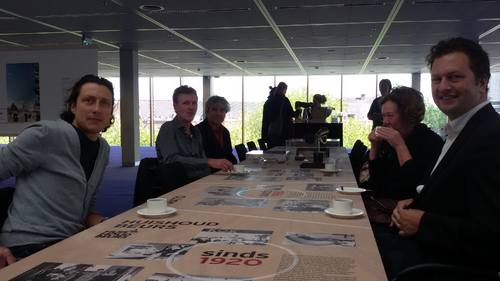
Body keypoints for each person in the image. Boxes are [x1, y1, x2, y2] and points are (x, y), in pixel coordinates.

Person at [383, 37, 500, 278]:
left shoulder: (490, 138)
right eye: (437, 79)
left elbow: (493, 237)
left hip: (433, 265)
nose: (443, 86)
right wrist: (415, 202)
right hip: (421, 251)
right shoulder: (462, 131)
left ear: (482, 83)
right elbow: (456, 201)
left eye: (455, 77)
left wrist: (423, 221)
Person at [0, 74, 114, 260]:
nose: (96, 109)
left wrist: (109, 224)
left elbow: (85, 206)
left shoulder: (103, 150)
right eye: (88, 101)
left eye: (104, 103)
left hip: (70, 242)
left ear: (111, 112)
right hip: (28, 245)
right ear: (73, 106)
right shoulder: (46, 134)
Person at [365, 87, 443, 201]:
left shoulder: (431, 142)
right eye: (383, 116)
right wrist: (374, 147)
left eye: (390, 116)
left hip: (409, 212)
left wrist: (400, 146)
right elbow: (376, 182)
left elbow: (414, 187)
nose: (385, 121)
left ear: (409, 115)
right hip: (383, 205)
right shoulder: (388, 141)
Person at [156, 86, 233, 182]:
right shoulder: (168, 128)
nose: (191, 107)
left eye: (194, 103)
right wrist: (209, 162)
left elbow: (203, 164)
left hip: (200, 182)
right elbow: (171, 160)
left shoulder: (195, 132)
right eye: (186, 103)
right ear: (175, 106)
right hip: (177, 186)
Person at [196, 96, 237, 172]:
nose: (218, 113)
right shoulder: (197, 131)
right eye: (214, 109)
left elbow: (229, 155)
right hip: (204, 175)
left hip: (224, 173)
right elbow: (196, 159)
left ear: (225, 113)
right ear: (207, 111)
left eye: (222, 110)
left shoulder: (225, 132)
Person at [261, 82, 299, 148]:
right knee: (283, 154)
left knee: (272, 155)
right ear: (284, 90)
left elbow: (265, 121)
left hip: (271, 133)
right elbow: (291, 114)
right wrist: (298, 111)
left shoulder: (268, 102)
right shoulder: (284, 100)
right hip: (283, 133)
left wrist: (264, 136)